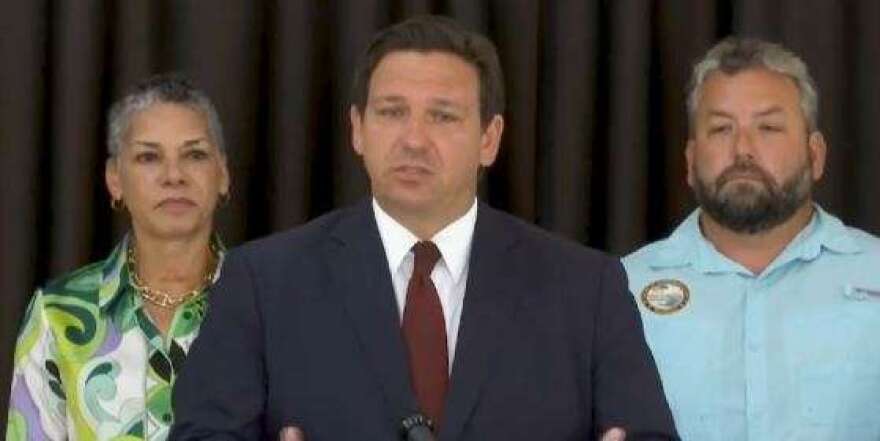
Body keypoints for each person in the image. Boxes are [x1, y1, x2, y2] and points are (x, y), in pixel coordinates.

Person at [170, 15, 677, 441]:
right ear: (357, 129)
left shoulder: (586, 288)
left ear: (489, 138)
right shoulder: (264, 281)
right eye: (392, 113)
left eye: (443, 116)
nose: (414, 139)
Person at [623, 37, 880, 440]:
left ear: (816, 155)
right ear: (690, 161)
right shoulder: (620, 291)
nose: (743, 149)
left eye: (769, 128)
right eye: (721, 128)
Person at [5, 75, 230, 441]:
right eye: (148, 157)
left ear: (223, 174)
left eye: (194, 154)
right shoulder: (58, 313)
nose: (174, 175)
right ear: (115, 179)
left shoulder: (269, 307)